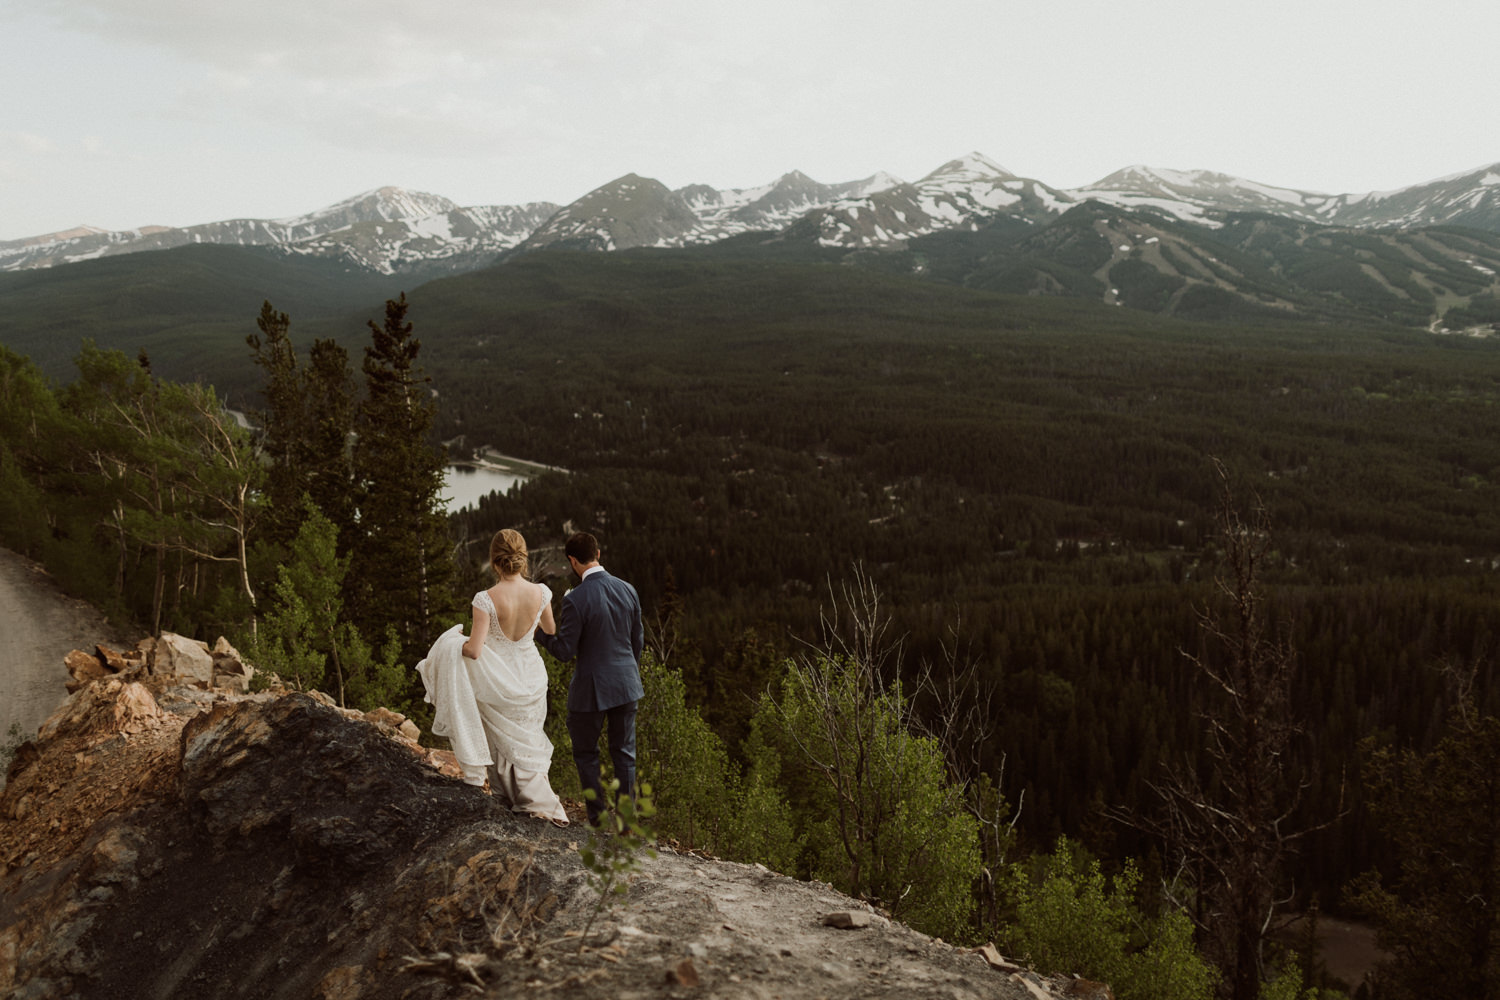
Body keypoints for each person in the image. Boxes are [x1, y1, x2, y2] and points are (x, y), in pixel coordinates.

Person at [416, 528, 569, 826]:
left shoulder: (485, 599)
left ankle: (508, 794)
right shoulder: (542, 593)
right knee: (529, 737)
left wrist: (453, 641)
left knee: (500, 738)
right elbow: (550, 630)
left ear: (495, 561)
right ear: (522, 560)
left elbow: (474, 651)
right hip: (532, 674)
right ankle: (530, 794)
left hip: (499, 676)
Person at [534, 531, 644, 826]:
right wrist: (626, 673)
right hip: (627, 685)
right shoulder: (628, 589)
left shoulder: (576, 599)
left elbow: (565, 651)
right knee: (624, 754)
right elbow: (637, 643)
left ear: (572, 561)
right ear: (598, 553)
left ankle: (597, 818)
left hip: (591, 690)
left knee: (586, 753)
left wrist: (540, 636)